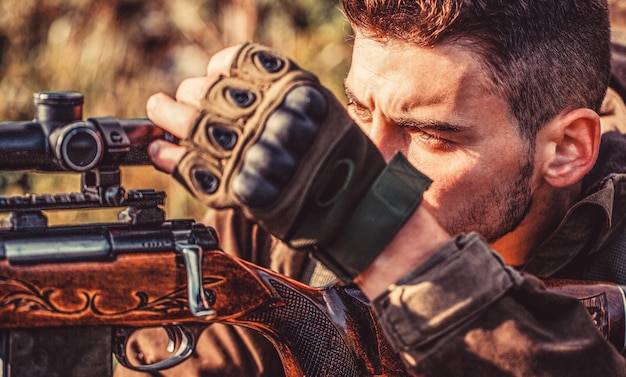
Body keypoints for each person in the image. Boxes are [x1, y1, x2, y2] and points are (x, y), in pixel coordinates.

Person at [115, 0, 626, 376]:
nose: (370, 164)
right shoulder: (280, 214)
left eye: (428, 134)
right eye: (359, 109)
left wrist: (383, 238)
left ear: (566, 148)